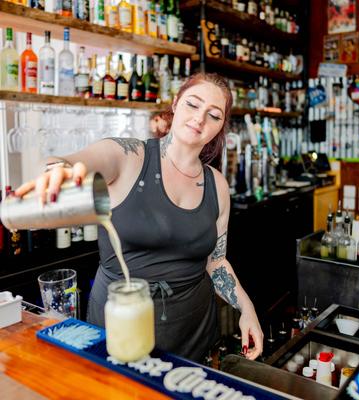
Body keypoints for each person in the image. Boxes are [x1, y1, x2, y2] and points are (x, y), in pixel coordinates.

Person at [16, 72, 264, 362]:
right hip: (118, 333)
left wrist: (247, 309)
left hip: (193, 334)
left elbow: (216, 260)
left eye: (214, 115)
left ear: (221, 126)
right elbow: (67, 162)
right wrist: (58, 171)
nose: (200, 119)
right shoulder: (127, 156)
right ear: (175, 104)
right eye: (193, 105)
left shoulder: (217, 186)